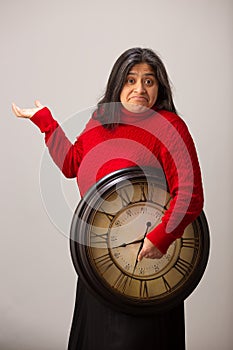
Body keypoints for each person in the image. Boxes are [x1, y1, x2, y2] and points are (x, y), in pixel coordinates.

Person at [12, 47, 203, 350]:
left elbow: (191, 195)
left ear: (160, 88)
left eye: (149, 81)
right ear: (118, 84)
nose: (140, 88)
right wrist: (46, 122)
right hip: (99, 261)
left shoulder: (170, 127)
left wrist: (159, 239)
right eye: (130, 80)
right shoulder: (101, 120)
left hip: (146, 262)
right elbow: (72, 164)